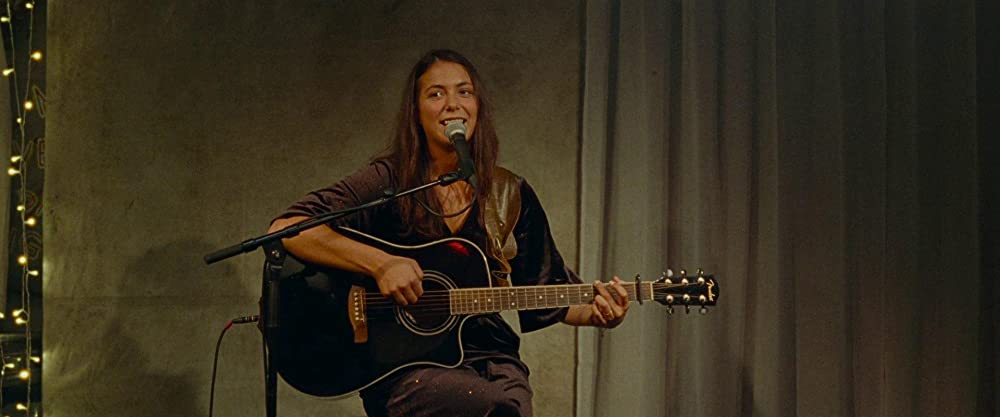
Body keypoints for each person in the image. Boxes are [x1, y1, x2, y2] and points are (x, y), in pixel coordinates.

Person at [268, 49, 630, 417]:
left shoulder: (508, 193)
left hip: (491, 357)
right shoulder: (389, 181)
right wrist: (380, 263)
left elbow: (550, 289)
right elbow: (287, 229)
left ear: (477, 107)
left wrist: (599, 312)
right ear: (416, 111)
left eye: (464, 92)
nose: (452, 104)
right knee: (494, 408)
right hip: (407, 367)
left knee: (508, 407)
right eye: (436, 93)